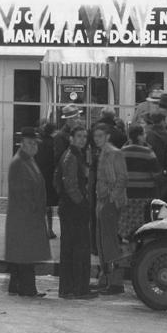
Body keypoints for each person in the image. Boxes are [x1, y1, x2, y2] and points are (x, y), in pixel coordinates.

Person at [5, 127, 50, 298]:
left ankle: (15, 286)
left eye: (35, 143)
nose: (34, 146)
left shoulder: (27, 160)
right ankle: (28, 289)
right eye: (30, 143)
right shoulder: (19, 162)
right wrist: (34, 209)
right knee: (26, 255)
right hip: (24, 216)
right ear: (22, 144)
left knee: (22, 254)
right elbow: (21, 191)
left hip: (26, 215)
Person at [56, 126, 95, 299]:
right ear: (71, 137)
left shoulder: (73, 154)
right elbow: (70, 184)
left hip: (69, 207)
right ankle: (78, 288)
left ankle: (70, 287)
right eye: (79, 136)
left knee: (71, 249)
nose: (82, 139)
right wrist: (82, 202)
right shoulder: (72, 156)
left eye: (84, 136)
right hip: (74, 208)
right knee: (78, 249)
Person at [92, 125, 128, 294]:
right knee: (102, 242)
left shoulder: (114, 153)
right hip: (102, 200)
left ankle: (115, 282)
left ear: (107, 136)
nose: (96, 139)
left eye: (100, 135)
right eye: (95, 136)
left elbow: (122, 177)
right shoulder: (102, 153)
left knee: (109, 243)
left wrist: (112, 198)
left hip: (109, 202)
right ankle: (106, 278)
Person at [118, 124, 164, 246]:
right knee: (142, 224)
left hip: (127, 193)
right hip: (145, 193)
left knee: (127, 222)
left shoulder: (122, 151)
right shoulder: (147, 152)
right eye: (143, 134)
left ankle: (128, 247)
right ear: (139, 137)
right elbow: (156, 174)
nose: (145, 136)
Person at [35, 121, 59, 239]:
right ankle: (49, 229)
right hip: (49, 177)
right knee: (48, 205)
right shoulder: (53, 143)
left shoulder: (38, 142)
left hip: (38, 176)